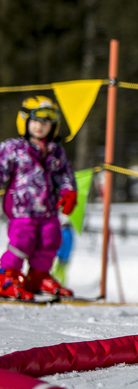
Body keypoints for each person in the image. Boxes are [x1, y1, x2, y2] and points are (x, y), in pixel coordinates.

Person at [0, 96, 77, 301]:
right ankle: (6, 276)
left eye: (45, 123)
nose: (39, 126)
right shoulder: (13, 148)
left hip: (48, 209)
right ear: (24, 121)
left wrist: (68, 192)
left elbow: (64, 174)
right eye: (35, 121)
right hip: (21, 209)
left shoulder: (55, 151)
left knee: (50, 240)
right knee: (22, 241)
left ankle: (38, 276)